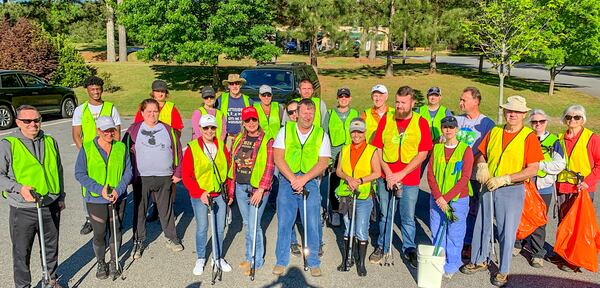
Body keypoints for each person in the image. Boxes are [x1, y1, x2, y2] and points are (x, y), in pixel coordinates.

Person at [460, 96, 544, 287]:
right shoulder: (495, 131)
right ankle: (479, 260)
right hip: (488, 184)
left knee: (507, 231)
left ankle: (503, 270)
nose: (512, 114)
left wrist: (506, 178)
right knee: (482, 225)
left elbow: (533, 169)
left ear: (524, 114)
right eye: (509, 110)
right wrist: (482, 165)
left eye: (516, 111)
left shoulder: (528, 137)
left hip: (511, 189)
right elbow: (481, 153)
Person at [0, 105, 65, 288]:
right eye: (27, 121)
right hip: (23, 209)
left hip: (49, 204)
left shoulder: (50, 141)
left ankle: (52, 279)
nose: (32, 124)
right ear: (18, 122)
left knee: (51, 248)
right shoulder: (8, 144)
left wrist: (61, 197)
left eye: (36, 120)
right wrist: (19, 188)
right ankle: (23, 286)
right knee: (22, 252)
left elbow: (58, 170)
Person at [370, 86, 433, 268]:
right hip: (386, 176)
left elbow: (423, 152)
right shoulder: (386, 120)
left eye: (403, 103)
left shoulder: (420, 122)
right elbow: (378, 148)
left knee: (407, 216)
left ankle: (409, 247)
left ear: (412, 103)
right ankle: (382, 245)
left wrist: (401, 173)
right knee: (385, 214)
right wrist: (389, 173)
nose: (399, 106)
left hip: (409, 178)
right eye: (397, 102)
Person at [272, 98, 331, 277]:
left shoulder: (321, 134)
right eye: (304, 112)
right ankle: (281, 261)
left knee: (312, 222)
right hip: (287, 181)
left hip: (310, 181)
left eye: (311, 113)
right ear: (297, 113)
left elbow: (323, 162)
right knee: (284, 222)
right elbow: (278, 158)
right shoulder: (285, 131)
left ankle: (313, 261)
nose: (308, 116)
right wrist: (293, 179)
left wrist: (304, 179)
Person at [123, 98, 184, 259]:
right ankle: (138, 241)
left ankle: (172, 238)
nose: (152, 114)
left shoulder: (168, 129)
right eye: (148, 111)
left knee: (166, 210)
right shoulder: (133, 130)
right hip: (141, 178)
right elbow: (124, 154)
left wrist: (178, 172)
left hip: (164, 177)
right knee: (140, 210)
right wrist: (128, 175)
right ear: (142, 112)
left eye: (155, 111)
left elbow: (178, 151)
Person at [74, 116, 133, 279]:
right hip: (96, 199)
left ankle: (114, 261)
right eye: (105, 130)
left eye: (111, 130)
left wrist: (119, 190)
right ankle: (101, 262)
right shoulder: (87, 148)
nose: (109, 133)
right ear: (97, 130)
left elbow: (128, 172)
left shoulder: (121, 147)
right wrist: (100, 190)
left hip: (117, 198)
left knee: (116, 230)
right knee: (99, 233)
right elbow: (80, 174)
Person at [182, 114, 234, 275]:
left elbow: (229, 171)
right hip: (201, 195)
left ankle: (217, 257)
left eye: (212, 127)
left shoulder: (222, 147)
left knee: (219, 228)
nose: (209, 131)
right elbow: (186, 175)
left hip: (219, 193)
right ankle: (201, 257)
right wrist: (199, 192)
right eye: (206, 128)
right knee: (202, 227)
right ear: (200, 129)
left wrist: (230, 192)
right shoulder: (193, 148)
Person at [512, 109, 565, 268]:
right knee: (520, 215)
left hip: (543, 186)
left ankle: (537, 252)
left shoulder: (554, 141)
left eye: (541, 121)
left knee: (539, 220)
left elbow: (560, 164)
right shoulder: (525, 137)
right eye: (534, 122)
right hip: (524, 184)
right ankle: (517, 243)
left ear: (546, 122)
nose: (538, 124)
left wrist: (537, 165)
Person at [227, 107, 275, 275]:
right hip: (240, 187)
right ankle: (248, 257)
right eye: (247, 120)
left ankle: (256, 260)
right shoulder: (239, 138)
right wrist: (231, 191)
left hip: (256, 189)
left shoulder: (266, 140)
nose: (251, 123)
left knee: (254, 225)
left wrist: (261, 189)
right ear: (243, 122)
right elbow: (233, 165)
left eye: (253, 119)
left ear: (258, 120)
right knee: (247, 224)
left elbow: (270, 166)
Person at [552, 104, 600, 272]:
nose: (572, 120)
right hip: (563, 186)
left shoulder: (591, 138)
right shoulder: (559, 138)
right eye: (569, 117)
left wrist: (588, 181)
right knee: (563, 222)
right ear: (565, 119)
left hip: (582, 189)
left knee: (578, 225)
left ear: (583, 119)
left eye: (577, 117)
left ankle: (574, 260)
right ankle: (562, 252)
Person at [72, 76, 122, 236]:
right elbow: (76, 135)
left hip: (109, 153)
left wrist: (114, 152)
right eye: (92, 89)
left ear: (102, 89)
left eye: (98, 89)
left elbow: (118, 133)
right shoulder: (80, 110)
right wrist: (85, 154)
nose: (95, 92)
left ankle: (110, 213)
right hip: (89, 155)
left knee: (110, 181)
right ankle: (90, 218)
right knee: (88, 186)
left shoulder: (111, 108)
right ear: (87, 90)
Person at [427, 116, 473, 279]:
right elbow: (431, 174)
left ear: (457, 129)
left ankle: (452, 264)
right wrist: (439, 197)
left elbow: (465, 177)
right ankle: (438, 261)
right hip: (437, 199)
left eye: (451, 127)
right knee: (438, 230)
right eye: (445, 127)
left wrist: (446, 198)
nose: (448, 130)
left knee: (455, 233)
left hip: (457, 200)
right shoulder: (437, 149)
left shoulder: (465, 150)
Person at [335, 118, 381, 277]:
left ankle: (361, 263)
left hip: (363, 196)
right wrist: (348, 178)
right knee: (348, 228)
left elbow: (377, 173)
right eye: (354, 131)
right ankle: (347, 258)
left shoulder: (372, 150)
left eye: (360, 132)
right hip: (347, 195)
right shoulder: (344, 149)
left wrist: (360, 181)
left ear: (365, 133)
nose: (356, 135)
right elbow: (338, 171)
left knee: (361, 230)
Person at [133, 80, 184, 222]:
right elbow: (137, 127)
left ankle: (170, 207)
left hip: (166, 149)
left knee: (170, 181)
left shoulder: (171, 107)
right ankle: (155, 207)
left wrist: (173, 145)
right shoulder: (145, 106)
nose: (160, 93)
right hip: (149, 149)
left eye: (163, 91)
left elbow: (178, 128)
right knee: (152, 180)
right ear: (153, 92)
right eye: (157, 91)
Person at [454, 87, 495, 259]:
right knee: (458, 207)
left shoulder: (487, 123)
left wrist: (471, 159)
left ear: (475, 101)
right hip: (457, 173)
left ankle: (471, 242)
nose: (460, 103)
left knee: (474, 209)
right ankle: (457, 240)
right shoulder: (456, 120)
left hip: (475, 174)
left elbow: (487, 149)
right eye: (461, 99)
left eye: (464, 100)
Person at [323, 87, 359, 226]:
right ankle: (336, 210)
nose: (343, 99)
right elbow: (325, 135)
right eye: (341, 97)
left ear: (350, 98)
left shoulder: (355, 113)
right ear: (337, 98)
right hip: (334, 154)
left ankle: (349, 210)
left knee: (350, 183)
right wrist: (326, 156)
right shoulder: (330, 114)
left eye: (346, 97)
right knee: (334, 185)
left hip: (351, 154)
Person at [217, 74, 253, 150]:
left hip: (243, 138)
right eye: (231, 84)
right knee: (226, 160)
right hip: (227, 138)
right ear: (228, 86)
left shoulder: (248, 100)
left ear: (240, 85)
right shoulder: (220, 99)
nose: (234, 86)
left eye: (237, 83)